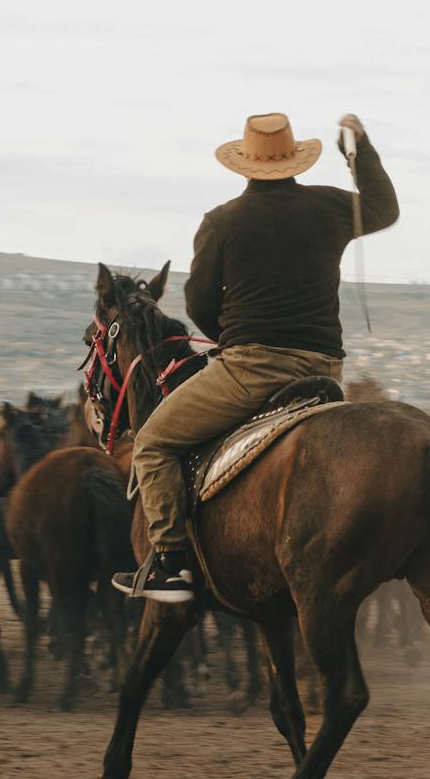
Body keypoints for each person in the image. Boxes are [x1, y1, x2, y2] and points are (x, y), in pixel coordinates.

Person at [114, 111, 399, 603]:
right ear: (294, 161)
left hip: (250, 370)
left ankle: (171, 564)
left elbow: (200, 303)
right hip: (325, 371)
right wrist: (360, 150)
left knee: (153, 441)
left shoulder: (221, 222)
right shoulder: (328, 207)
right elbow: (383, 208)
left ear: (244, 165)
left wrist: (236, 338)